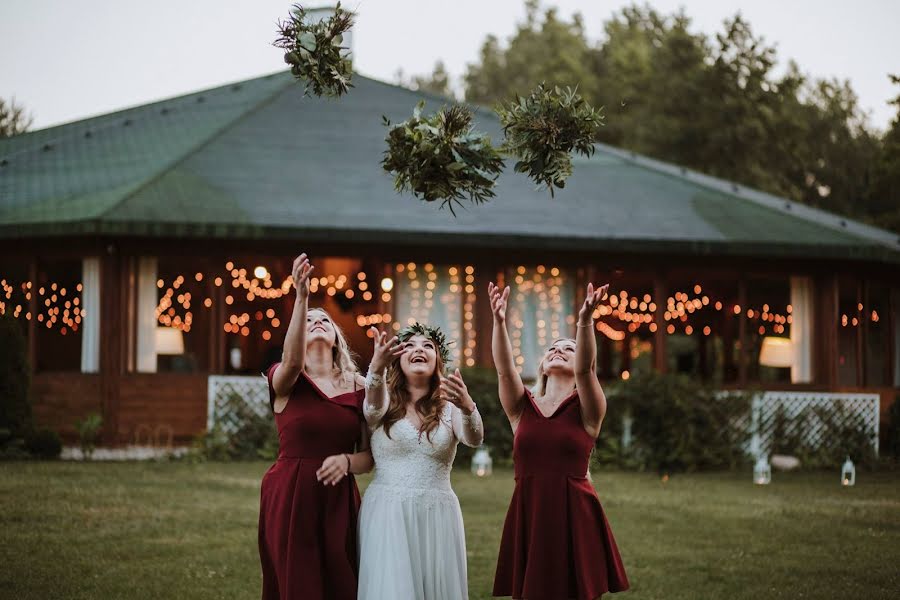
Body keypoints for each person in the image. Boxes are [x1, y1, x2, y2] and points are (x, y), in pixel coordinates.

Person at [490, 281, 629, 600]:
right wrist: (498, 322)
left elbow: (585, 370)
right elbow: (504, 370)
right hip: (531, 509)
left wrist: (585, 320)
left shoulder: (588, 408)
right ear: (543, 366)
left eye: (568, 348)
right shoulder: (520, 407)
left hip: (574, 511)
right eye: (553, 348)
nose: (558, 351)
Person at [259, 253, 373, 600]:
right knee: (299, 582)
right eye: (309, 322)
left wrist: (347, 462)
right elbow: (293, 361)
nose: (317, 322)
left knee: (342, 581)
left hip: (339, 496)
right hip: (291, 493)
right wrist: (302, 297)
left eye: (324, 320)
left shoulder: (361, 387)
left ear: (337, 338)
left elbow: (370, 455)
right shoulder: (285, 378)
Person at [358, 323, 484, 600]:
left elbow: (474, 439)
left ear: (438, 360)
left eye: (428, 346)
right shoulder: (384, 401)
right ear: (398, 359)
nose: (419, 350)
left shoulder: (449, 407)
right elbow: (370, 410)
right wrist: (376, 368)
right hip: (389, 511)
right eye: (411, 346)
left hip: (438, 511)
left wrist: (467, 406)